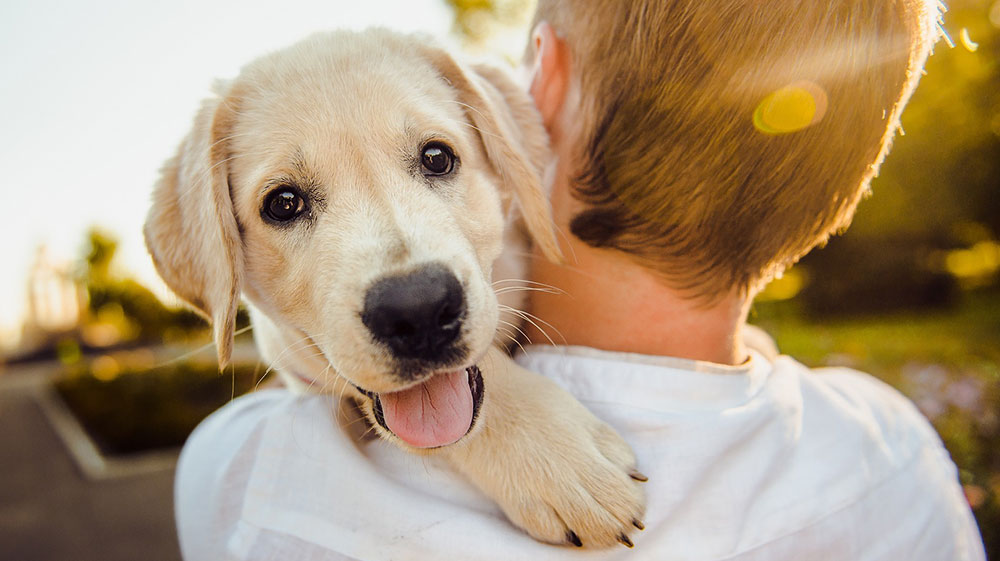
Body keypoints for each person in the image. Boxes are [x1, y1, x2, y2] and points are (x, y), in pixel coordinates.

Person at [174, 0, 987, 559]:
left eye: (435, 159)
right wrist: (496, 413)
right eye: (287, 203)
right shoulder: (897, 451)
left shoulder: (246, 478)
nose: (409, 280)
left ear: (538, 96)